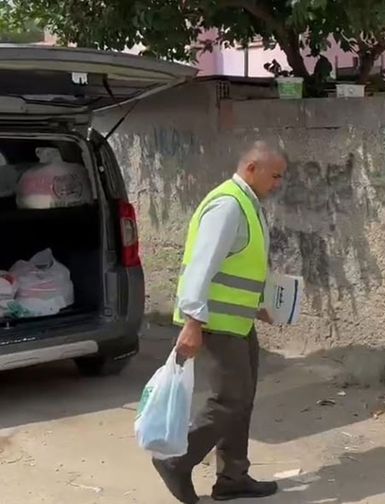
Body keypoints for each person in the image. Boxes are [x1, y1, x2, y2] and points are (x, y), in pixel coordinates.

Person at [152, 141, 287, 504]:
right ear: (252, 168)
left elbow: (237, 265)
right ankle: (176, 462)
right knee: (230, 399)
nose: (278, 183)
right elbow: (202, 264)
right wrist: (193, 322)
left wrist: (257, 304)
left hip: (238, 320)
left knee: (242, 400)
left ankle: (233, 477)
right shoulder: (228, 205)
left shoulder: (247, 203)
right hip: (215, 322)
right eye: (275, 176)